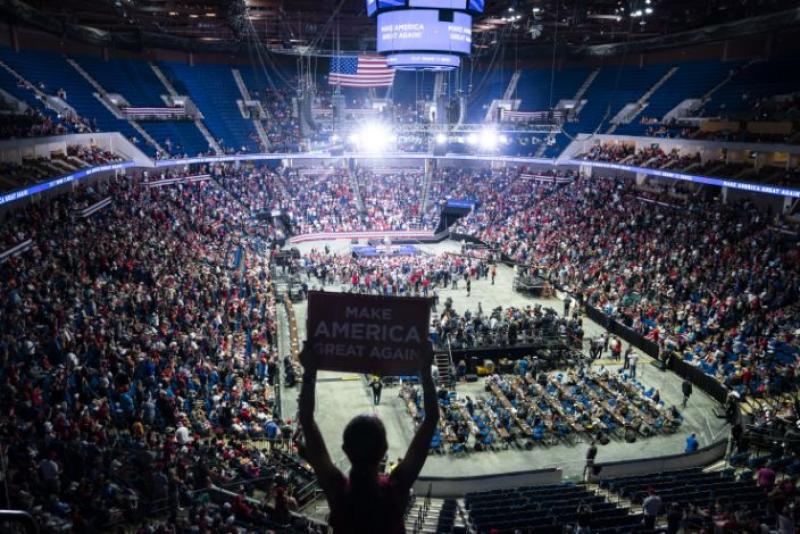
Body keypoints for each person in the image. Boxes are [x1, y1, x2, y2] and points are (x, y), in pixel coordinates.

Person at [298, 348, 439, 534]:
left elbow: (306, 419)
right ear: (384, 450)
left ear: (345, 450)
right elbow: (431, 420)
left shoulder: (339, 492)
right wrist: (426, 372)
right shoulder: (395, 489)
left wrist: (309, 371)